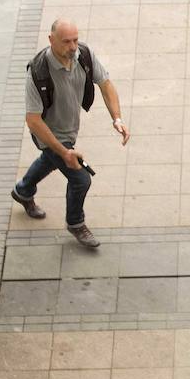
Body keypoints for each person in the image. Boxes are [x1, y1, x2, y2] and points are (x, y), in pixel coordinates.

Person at [11, 18, 130, 248]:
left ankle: (23, 191)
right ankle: (76, 223)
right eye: (66, 42)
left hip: (69, 128)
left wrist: (117, 119)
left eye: (75, 40)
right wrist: (64, 151)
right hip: (50, 134)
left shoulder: (83, 55)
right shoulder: (37, 72)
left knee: (49, 161)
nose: (73, 46)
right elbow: (33, 121)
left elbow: (105, 84)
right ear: (51, 40)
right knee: (80, 179)